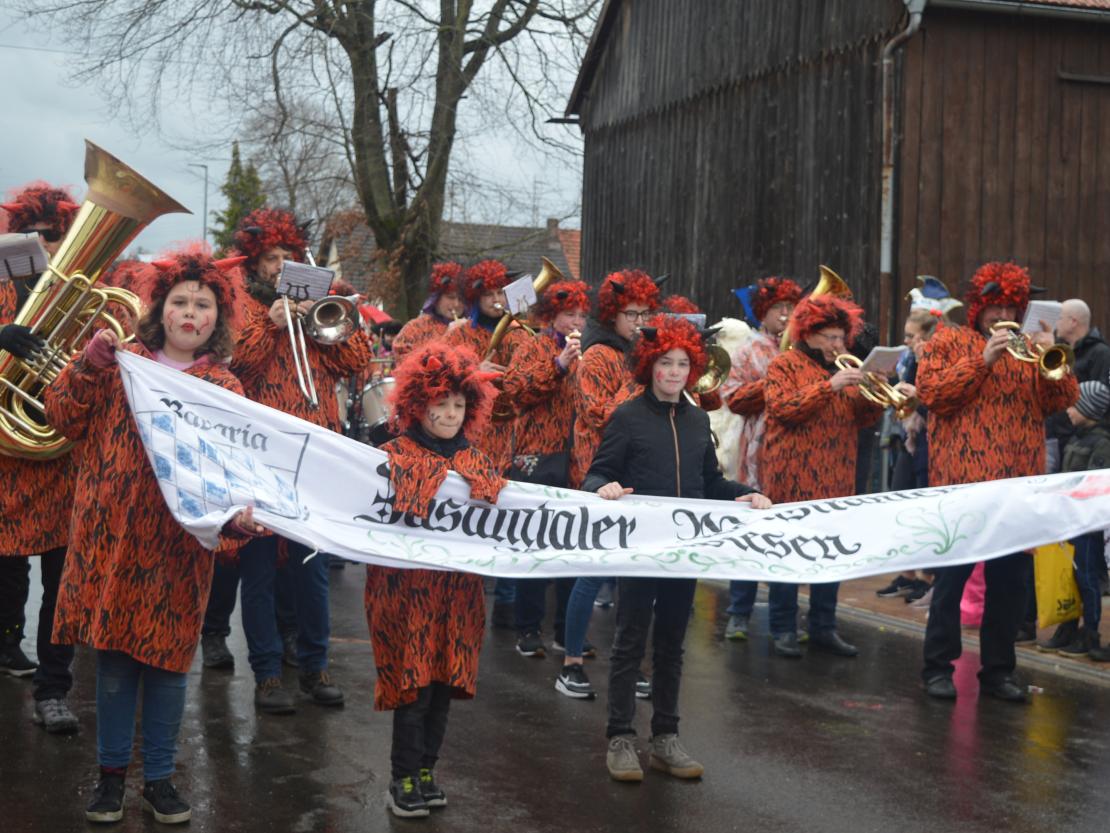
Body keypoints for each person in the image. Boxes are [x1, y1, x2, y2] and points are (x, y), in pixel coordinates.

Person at [43, 248, 267, 824]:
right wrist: (86, 365)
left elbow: (234, 473)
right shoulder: (121, 363)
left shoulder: (225, 386)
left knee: (168, 666)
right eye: (181, 302)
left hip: (176, 550)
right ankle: (112, 778)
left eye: (204, 305)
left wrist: (239, 520)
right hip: (108, 539)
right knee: (115, 663)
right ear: (160, 310)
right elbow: (63, 418)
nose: (191, 314)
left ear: (219, 318)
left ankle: (161, 779)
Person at [583, 315, 771, 782]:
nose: (673, 372)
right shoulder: (627, 416)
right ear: (649, 365)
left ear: (693, 369)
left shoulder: (695, 419)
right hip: (640, 550)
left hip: (683, 552)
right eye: (665, 362)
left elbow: (710, 482)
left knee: (671, 646)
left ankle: (665, 737)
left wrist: (743, 492)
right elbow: (596, 474)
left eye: (682, 364)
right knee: (629, 642)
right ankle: (621, 738)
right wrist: (603, 488)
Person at [229, 208, 373, 713]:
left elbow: (356, 365)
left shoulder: (318, 307)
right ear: (254, 263)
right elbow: (236, 364)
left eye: (287, 257)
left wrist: (326, 321)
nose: (280, 266)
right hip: (261, 455)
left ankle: (315, 665)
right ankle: (268, 673)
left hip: (316, 453)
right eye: (271, 258)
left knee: (313, 569)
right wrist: (270, 326)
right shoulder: (242, 306)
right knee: (261, 569)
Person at [917, 261, 1077, 702]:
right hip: (963, 483)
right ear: (978, 308)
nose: (1002, 314)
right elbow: (932, 395)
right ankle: (938, 667)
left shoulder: (1030, 350)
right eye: (994, 307)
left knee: (1010, 584)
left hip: (1018, 482)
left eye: (1011, 306)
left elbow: (1062, 402)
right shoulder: (949, 341)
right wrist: (983, 358)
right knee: (951, 583)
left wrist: (1053, 354)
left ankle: (998, 672)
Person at [365, 340, 504, 819]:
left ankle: (427, 770)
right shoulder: (390, 453)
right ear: (417, 404)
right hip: (406, 591)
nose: (449, 413)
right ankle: (400, 777)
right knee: (414, 684)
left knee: (444, 683)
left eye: (458, 404)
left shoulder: (478, 458)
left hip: (460, 593)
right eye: (439, 403)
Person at [760, 294, 887, 659]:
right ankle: (783, 627)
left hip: (836, 479)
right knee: (789, 556)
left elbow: (862, 422)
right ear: (809, 334)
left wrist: (874, 394)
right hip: (793, 481)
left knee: (832, 556)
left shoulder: (844, 371)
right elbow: (784, 409)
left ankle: (823, 626)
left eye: (840, 338)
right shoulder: (784, 364)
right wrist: (828, 386)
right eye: (830, 338)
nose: (838, 345)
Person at [0, 183, 81, 732]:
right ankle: (7, 644)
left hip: (60, 456)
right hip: (7, 456)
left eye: (56, 237)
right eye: (38, 236)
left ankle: (54, 689)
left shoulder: (80, 289)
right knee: (6, 571)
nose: (48, 246)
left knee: (61, 578)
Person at [562, 270, 661, 698]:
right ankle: (570, 663)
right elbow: (595, 411)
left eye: (644, 314)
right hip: (597, 470)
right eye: (630, 314)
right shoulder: (598, 354)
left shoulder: (643, 355)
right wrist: (638, 387)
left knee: (633, 575)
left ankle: (631, 660)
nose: (638, 322)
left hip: (636, 472)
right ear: (613, 315)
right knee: (591, 571)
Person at [722, 276, 801, 640]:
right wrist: (772, 383)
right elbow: (733, 397)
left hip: (793, 454)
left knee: (786, 537)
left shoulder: (801, 348)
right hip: (756, 452)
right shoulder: (749, 349)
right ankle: (738, 613)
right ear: (763, 314)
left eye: (790, 308)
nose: (785, 316)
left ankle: (785, 621)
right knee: (750, 533)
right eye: (778, 310)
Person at [444, 259, 530, 474]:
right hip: (473, 430)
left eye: (500, 293)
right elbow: (441, 380)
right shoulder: (458, 335)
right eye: (488, 295)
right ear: (476, 298)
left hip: (513, 428)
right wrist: (475, 373)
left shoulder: (518, 332)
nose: (496, 300)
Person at [1044, 381, 1110, 660]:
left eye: (1074, 404)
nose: (1068, 410)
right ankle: (1070, 625)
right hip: (1070, 520)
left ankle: (1091, 631)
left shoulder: (1102, 443)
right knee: (1071, 575)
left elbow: (1095, 486)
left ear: (1088, 408)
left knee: (1088, 576)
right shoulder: (1076, 437)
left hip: (1087, 524)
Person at [391, 262, 466, 361]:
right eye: (450, 297)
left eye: (461, 299)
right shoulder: (415, 329)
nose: (456, 304)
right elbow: (407, 365)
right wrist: (448, 336)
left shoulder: (473, 328)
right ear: (436, 298)